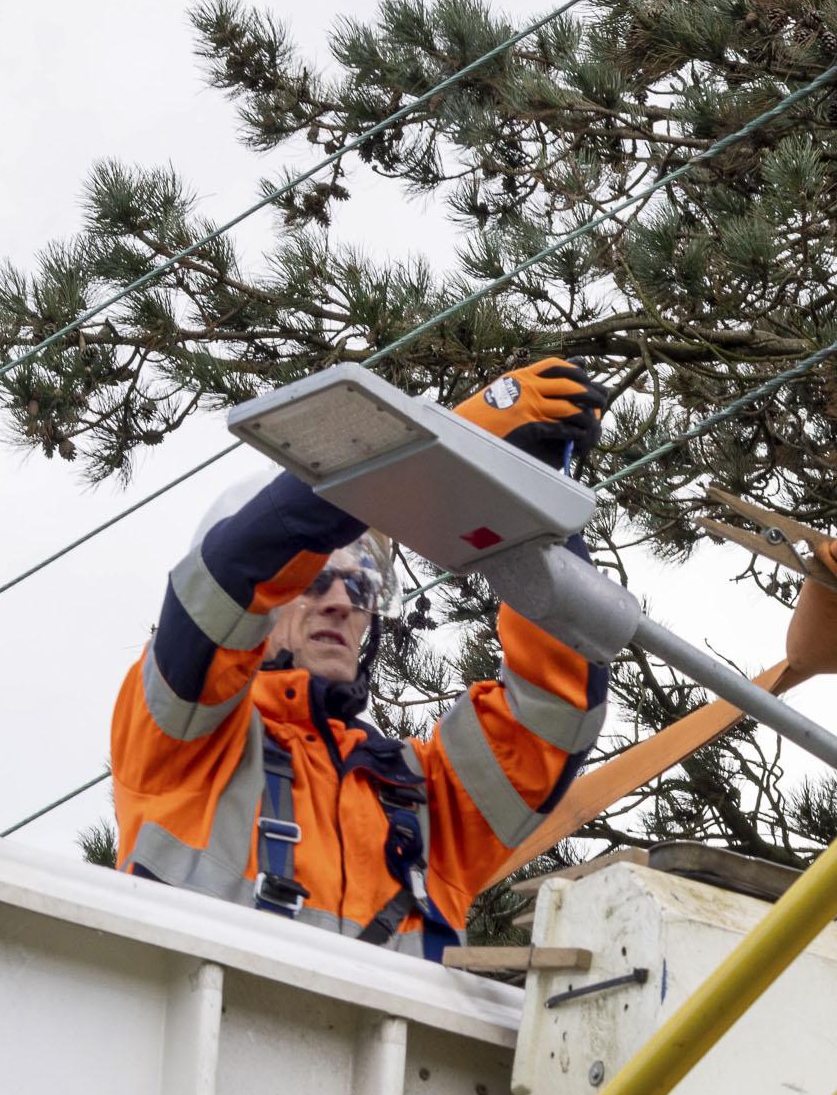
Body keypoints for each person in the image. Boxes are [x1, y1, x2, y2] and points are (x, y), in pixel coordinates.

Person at [111, 359, 612, 956]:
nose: (340, 604)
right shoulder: (180, 744)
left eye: (360, 586)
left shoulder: (428, 801)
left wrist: (525, 496)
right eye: (318, 580)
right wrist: (439, 453)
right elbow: (236, 569)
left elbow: (557, 702)